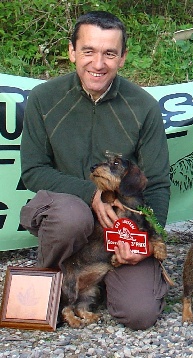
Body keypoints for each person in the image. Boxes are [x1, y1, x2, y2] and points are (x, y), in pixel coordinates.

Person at [19, 11, 171, 330]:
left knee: (139, 313)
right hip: (67, 215)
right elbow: (33, 171)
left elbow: (156, 184)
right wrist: (92, 195)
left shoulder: (143, 107)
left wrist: (143, 238)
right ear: (72, 51)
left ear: (123, 57)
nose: (98, 64)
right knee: (71, 216)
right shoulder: (44, 99)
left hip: (119, 231)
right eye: (88, 51)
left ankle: (100, 283)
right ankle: (47, 287)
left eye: (109, 53)